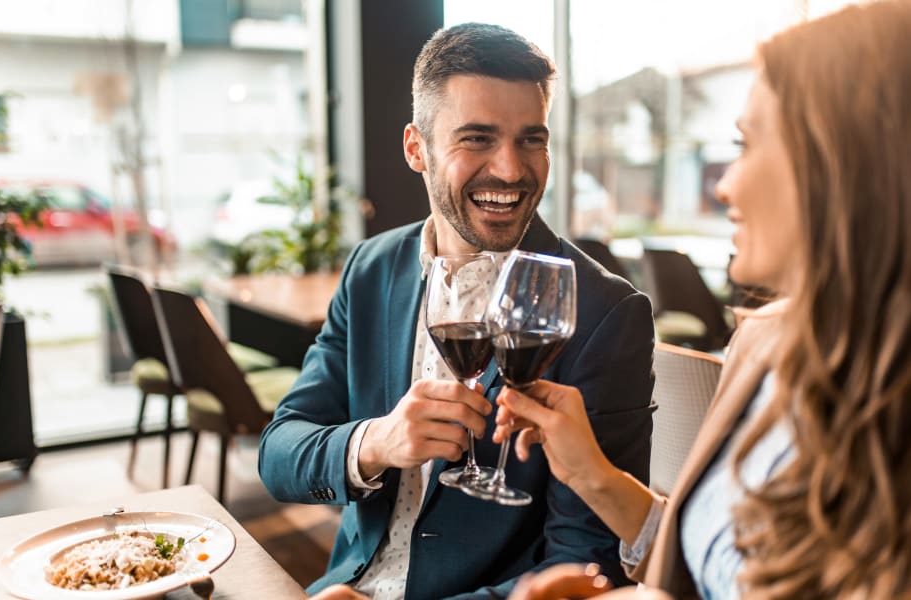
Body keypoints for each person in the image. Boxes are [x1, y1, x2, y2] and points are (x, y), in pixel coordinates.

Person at [494, 1, 911, 599]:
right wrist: (592, 475)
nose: (726, 185)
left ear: (855, 166)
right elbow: (717, 565)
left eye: (748, 145)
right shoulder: (765, 346)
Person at [258, 22, 656, 599]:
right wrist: (376, 442)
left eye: (531, 140)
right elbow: (279, 454)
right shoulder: (371, 268)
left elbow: (585, 566)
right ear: (416, 149)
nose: (511, 170)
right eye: (477, 139)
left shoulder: (606, 313)